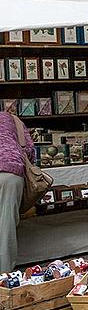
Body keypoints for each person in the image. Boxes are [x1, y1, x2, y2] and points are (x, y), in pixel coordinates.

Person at [0, 111, 34, 272]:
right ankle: (3, 278)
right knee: (5, 227)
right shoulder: (12, 119)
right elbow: (29, 149)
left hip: (10, 172)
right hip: (11, 174)